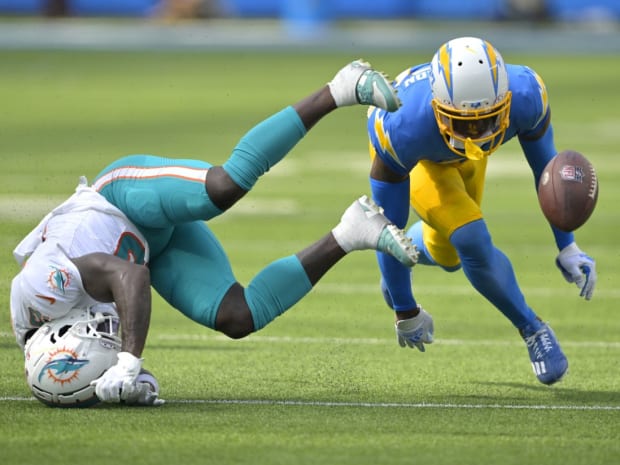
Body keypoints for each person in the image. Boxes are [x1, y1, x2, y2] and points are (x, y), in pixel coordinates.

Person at [11, 59, 415, 405]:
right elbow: (130, 375)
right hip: (153, 248)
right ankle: (352, 231)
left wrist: (129, 361)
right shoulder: (56, 350)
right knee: (237, 316)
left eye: (95, 338)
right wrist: (130, 387)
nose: (104, 336)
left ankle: (340, 87)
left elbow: (130, 276)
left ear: (60, 331)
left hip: (120, 199)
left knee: (222, 188)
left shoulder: (40, 289)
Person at [366, 36, 597, 385]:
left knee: (449, 256)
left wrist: (567, 244)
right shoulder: (401, 127)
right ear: (438, 106)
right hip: (425, 158)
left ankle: (414, 252)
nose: (475, 132)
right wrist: (404, 307)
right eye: (462, 122)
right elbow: (387, 226)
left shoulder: (526, 95)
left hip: (456, 154)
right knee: (470, 236)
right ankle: (533, 329)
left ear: (504, 102)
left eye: (485, 120)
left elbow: (547, 173)